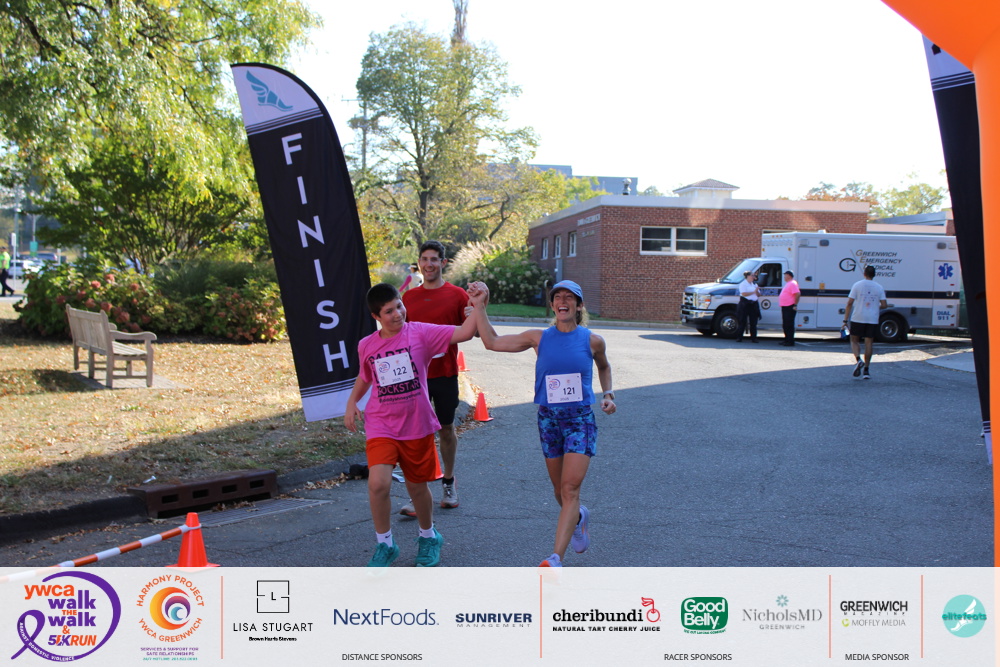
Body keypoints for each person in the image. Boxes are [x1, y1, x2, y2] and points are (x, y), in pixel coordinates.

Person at [470, 279, 615, 567]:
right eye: (557, 297)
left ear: (579, 306)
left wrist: (608, 393)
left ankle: (555, 558)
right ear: (552, 305)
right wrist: (479, 307)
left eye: (569, 297)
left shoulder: (592, 340)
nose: (563, 301)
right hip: (549, 420)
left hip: (579, 420)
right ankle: (577, 517)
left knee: (570, 489)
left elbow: (604, 366)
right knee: (559, 491)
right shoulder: (539, 338)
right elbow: (492, 342)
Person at [344, 282, 483, 567]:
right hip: (381, 424)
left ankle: (429, 537)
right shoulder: (366, 345)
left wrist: (479, 304)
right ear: (376, 316)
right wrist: (352, 402)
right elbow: (366, 375)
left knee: (417, 488)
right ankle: (385, 544)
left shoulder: (421, 332)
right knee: (378, 484)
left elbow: (465, 332)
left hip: (416, 425)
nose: (397, 314)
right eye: (388, 311)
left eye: (399, 306)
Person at [399, 241, 469, 515]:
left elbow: (472, 330)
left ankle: (449, 483)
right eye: (424, 259)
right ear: (419, 262)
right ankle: (419, 492)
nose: (429, 264)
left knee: (446, 429)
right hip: (414, 375)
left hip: (445, 373)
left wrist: (477, 310)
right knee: (416, 433)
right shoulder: (408, 298)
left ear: (443, 262)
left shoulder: (457, 295)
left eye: (434, 259)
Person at [844, 265, 887, 380]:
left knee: (854, 340)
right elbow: (884, 305)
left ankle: (859, 360)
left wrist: (845, 320)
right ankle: (866, 371)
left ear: (864, 274)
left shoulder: (857, 285)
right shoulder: (879, 287)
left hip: (858, 317)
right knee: (869, 343)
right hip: (872, 318)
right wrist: (875, 306)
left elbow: (849, 303)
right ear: (874, 275)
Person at [735, 270, 761, 342]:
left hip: (753, 304)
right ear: (748, 276)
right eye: (752, 275)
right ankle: (739, 337)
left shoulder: (754, 284)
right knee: (742, 321)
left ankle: (754, 338)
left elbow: (759, 295)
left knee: (753, 322)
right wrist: (753, 292)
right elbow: (744, 294)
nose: (754, 277)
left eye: (754, 276)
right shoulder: (743, 284)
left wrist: (757, 291)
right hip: (745, 304)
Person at [778, 270, 800, 346]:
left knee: (789, 324)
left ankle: (790, 341)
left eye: (785, 275)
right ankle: (786, 339)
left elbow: (797, 294)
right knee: (785, 324)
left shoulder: (793, 283)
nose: (784, 276)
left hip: (790, 306)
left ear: (789, 276)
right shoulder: (788, 283)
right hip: (785, 306)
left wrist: (795, 304)